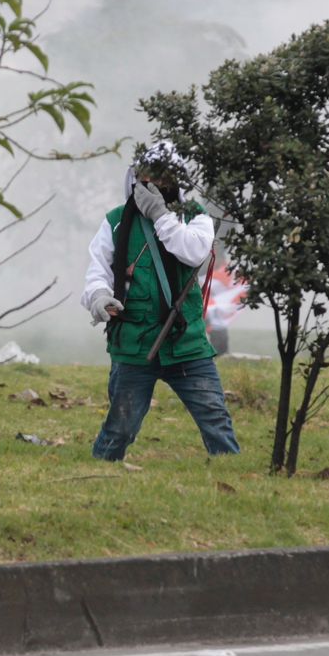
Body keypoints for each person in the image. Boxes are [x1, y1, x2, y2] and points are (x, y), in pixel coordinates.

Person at [83, 141, 240, 461]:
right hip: (133, 343)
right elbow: (97, 273)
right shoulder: (115, 221)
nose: (154, 183)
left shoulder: (195, 217)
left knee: (215, 420)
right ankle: (103, 472)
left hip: (187, 342)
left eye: (163, 176)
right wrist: (99, 297)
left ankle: (234, 474)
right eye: (148, 176)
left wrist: (160, 215)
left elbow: (193, 251)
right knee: (120, 427)